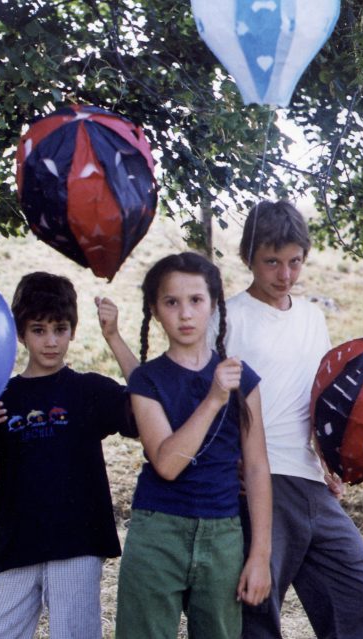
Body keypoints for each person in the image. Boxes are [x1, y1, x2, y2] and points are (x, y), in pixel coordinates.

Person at [220, 201, 363, 639]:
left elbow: (319, 397)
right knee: (256, 608)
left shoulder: (313, 316)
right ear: (249, 258)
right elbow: (213, 397)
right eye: (271, 262)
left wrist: (330, 461)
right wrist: (226, 459)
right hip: (260, 479)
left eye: (295, 262)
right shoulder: (228, 317)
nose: (285, 274)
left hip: (312, 479)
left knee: (360, 597)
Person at [114, 252, 272, 639]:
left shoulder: (242, 378)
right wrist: (214, 398)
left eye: (196, 301)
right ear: (154, 310)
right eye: (171, 302)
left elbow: (256, 468)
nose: (185, 314)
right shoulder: (147, 380)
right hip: (158, 532)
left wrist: (260, 556)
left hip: (223, 534)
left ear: (214, 306)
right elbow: (167, 464)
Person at [0, 272, 133, 639]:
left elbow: (148, 405)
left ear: (73, 330)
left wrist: (114, 337)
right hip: (16, 544)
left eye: (60, 329)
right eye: (39, 329)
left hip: (77, 542)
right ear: (20, 333)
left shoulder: (88, 390)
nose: (51, 341)